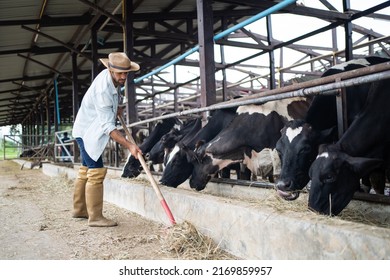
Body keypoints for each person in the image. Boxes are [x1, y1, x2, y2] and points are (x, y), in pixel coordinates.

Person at [72, 52, 142, 227]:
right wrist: (130, 145)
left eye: (126, 72)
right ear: (110, 70)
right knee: (96, 171)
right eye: (120, 73)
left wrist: (115, 110)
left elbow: (108, 106)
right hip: (88, 131)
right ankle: (95, 218)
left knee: (85, 169)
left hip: (87, 127)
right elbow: (109, 129)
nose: (123, 76)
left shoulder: (112, 79)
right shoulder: (103, 89)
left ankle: (79, 209)